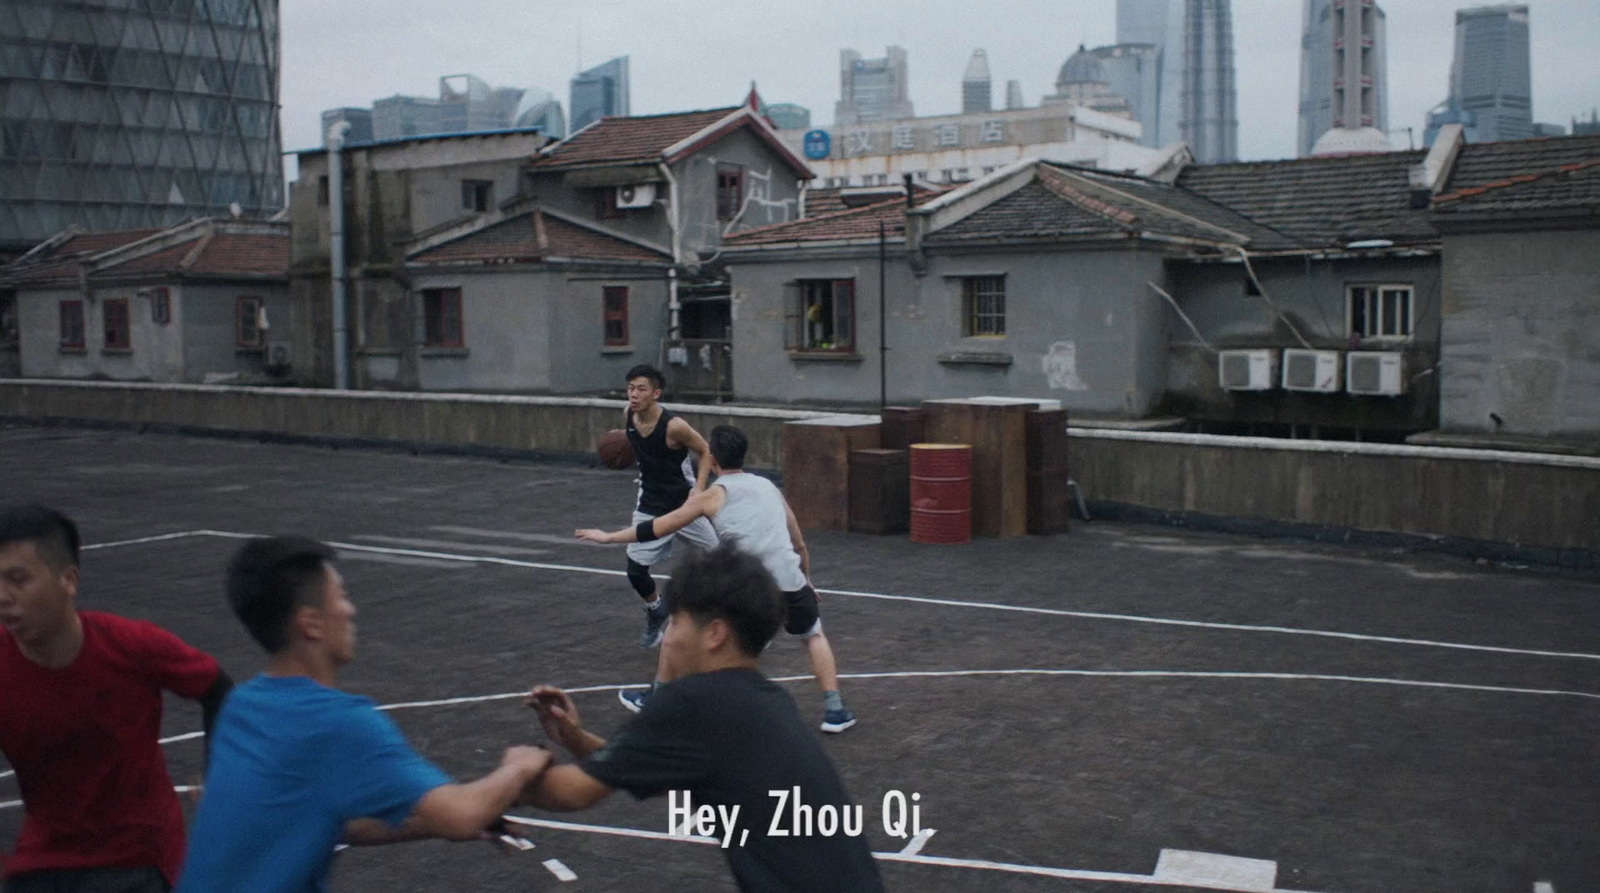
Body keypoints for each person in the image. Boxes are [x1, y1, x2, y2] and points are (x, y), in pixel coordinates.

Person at [176, 536, 551, 893]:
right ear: (311, 622)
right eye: (341, 596)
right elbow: (462, 813)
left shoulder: (243, 707)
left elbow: (335, 822)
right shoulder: (340, 723)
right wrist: (518, 767)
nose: (351, 610)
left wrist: (439, 821)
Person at [523, 544, 884, 893]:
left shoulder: (696, 702)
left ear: (714, 633)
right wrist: (576, 739)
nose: (668, 638)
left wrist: (505, 777)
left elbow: (570, 793)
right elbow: (652, 772)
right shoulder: (767, 701)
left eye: (676, 622)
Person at [0, 504, 233, 893]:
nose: (3, 596)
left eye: (18, 579)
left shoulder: (131, 646)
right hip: (45, 857)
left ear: (68, 580)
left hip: (137, 857)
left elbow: (218, 689)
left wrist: (220, 779)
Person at [578, 425, 857, 732]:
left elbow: (657, 527)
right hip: (789, 580)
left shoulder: (711, 497)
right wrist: (805, 579)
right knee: (814, 635)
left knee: (677, 628)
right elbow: (799, 543)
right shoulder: (769, 487)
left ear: (711, 460)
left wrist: (609, 537)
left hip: (747, 585)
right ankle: (835, 710)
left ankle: (658, 698)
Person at [616, 364, 717, 648]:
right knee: (635, 572)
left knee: (723, 563)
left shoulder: (675, 426)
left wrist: (699, 489)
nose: (633, 395)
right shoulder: (627, 416)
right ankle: (656, 609)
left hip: (683, 507)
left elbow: (705, 450)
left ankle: (747, 622)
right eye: (630, 388)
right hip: (650, 503)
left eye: (641, 389)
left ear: (656, 393)